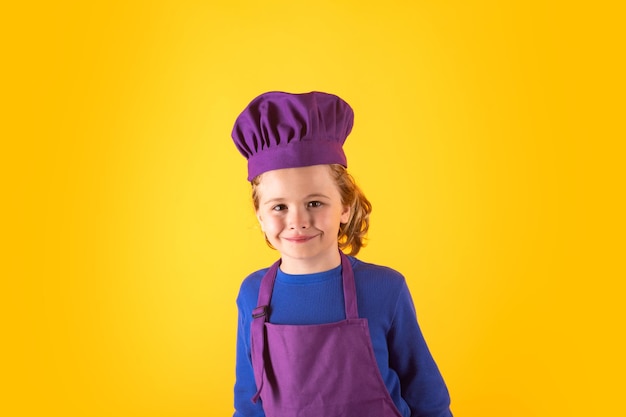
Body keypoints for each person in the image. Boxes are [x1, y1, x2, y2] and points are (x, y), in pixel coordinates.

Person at [231, 91, 452, 417]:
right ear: (260, 217)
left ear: (345, 207)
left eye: (315, 203)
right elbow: (248, 403)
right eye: (279, 207)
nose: (298, 221)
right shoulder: (252, 295)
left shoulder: (385, 288)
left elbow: (426, 395)